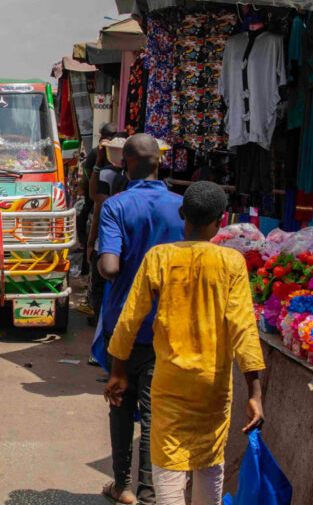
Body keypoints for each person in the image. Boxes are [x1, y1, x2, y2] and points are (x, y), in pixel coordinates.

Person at [106, 181, 265, 505]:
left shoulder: (159, 257)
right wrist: (255, 393)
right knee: (209, 465)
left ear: (182, 214)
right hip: (213, 385)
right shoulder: (231, 263)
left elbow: (130, 319)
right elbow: (244, 329)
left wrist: (118, 371)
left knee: (168, 468)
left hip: (170, 382)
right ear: (220, 221)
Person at [94, 133, 185, 505]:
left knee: (120, 400)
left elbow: (110, 267)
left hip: (126, 326)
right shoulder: (182, 206)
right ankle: (150, 491)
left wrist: (102, 261)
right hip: (169, 324)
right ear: (160, 162)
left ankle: (122, 486)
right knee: (154, 412)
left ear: (124, 164)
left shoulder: (116, 205)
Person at [84, 124, 127, 325]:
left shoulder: (106, 175)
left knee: (102, 282)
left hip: (108, 243)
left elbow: (97, 201)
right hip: (124, 244)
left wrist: (91, 241)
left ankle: (102, 320)